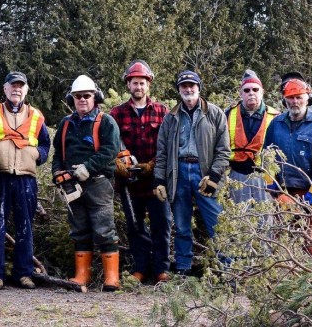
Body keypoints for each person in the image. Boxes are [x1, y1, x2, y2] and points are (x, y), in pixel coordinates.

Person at [153, 70, 230, 275]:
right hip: (178, 173)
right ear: (178, 90)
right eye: (184, 86)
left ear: (199, 88)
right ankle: (183, 269)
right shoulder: (171, 118)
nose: (188, 89)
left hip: (203, 172)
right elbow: (162, 153)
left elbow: (224, 151)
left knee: (216, 224)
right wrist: (159, 179)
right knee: (181, 225)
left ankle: (228, 270)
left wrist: (214, 176)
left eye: (192, 86)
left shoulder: (214, 114)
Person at [51, 75, 121, 291]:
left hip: (98, 183)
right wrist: (56, 173)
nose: (82, 99)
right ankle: (82, 275)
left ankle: (112, 278)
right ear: (72, 98)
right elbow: (58, 155)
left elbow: (111, 150)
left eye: (86, 96)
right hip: (72, 185)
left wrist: (88, 167)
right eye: (78, 96)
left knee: (104, 229)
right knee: (79, 229)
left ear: (95, 97)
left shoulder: (106, 121)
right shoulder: (65, 123)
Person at [0, 72, 50, 290]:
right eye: (13, 86)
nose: (16, 90)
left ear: (26, 90)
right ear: (5, 89)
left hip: (26, 178)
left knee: (25, 226)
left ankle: (24, 273)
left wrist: (36, 155)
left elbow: (45, 146)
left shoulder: (36, 115)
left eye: (21, 86)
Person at [109, 60, 171, 283]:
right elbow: (111, 144)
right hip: (130, 184)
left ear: (149, 85)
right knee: (135, 227)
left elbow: (168, 145)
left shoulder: (163, 112)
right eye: (135, 83)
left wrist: (152, 166)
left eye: (142, 83)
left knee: (161, 224)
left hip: (156, 182)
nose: (139, 87)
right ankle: (141, 268)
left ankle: (161, 269)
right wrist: (119, 166)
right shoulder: (116, 114)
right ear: (129, 85)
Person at [262, 75, 312, 263]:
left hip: (309, 193)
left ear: (307, 98)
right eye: (291, 98)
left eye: (299, 97)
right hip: (283, 193)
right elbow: (266, 158)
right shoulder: (276, 124)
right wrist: (273, 187)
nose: (295, 101)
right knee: (281, 244)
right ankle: (282, 284)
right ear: (285, 100)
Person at [225, 70, 280, 203]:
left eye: (255, 89)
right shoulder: (227, 114)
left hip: (266, 175)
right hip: (237, 175)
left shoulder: (276, 116)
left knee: (265, 219)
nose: (251, 93)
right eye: (247, 90)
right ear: (241, 93)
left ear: (262, 92)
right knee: (239, 218)